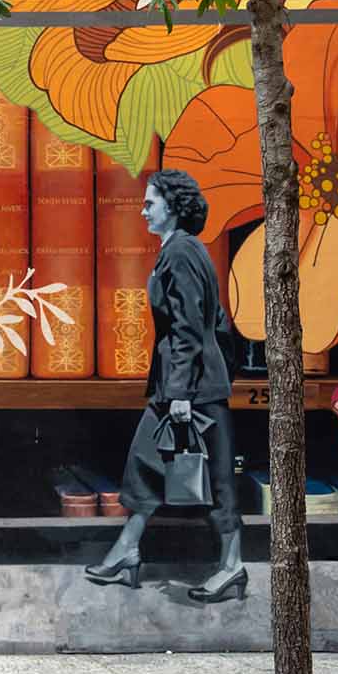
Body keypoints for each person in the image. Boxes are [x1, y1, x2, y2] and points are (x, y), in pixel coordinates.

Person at [84, 169, 244, 602]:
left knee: (215, 476)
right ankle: (127, 549)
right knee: (145, 465)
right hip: (186, 383)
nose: (143, 210)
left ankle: (232, 567)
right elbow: (214, 325)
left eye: (150, 202)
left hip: (190, 389)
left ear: (172, 206)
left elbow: (189, 328)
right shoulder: (182, 250)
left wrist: (179, 394)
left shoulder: (181, 253)